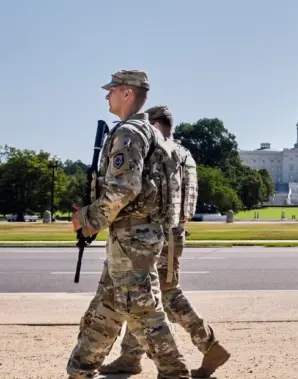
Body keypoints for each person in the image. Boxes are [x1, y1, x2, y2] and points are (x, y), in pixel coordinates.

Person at [66, 70, 190, 379]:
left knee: (144, 310)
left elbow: (123, 188)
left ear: (127, 94)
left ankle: (175, 372)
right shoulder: (149, 132)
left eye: (112, 90)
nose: (107, 95)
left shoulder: (130, 133)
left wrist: (88, 219)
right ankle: (80, 368)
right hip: (138, 234)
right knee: (107, 306)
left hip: (133, 237)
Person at [96, 105, 230, 377]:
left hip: (158, 231)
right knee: (142, 297)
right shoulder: (183, 153)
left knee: (163, 295)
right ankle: (130, 356)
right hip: (171, 231)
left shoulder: (161, 151)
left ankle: (208, 345)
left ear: (155, 126)